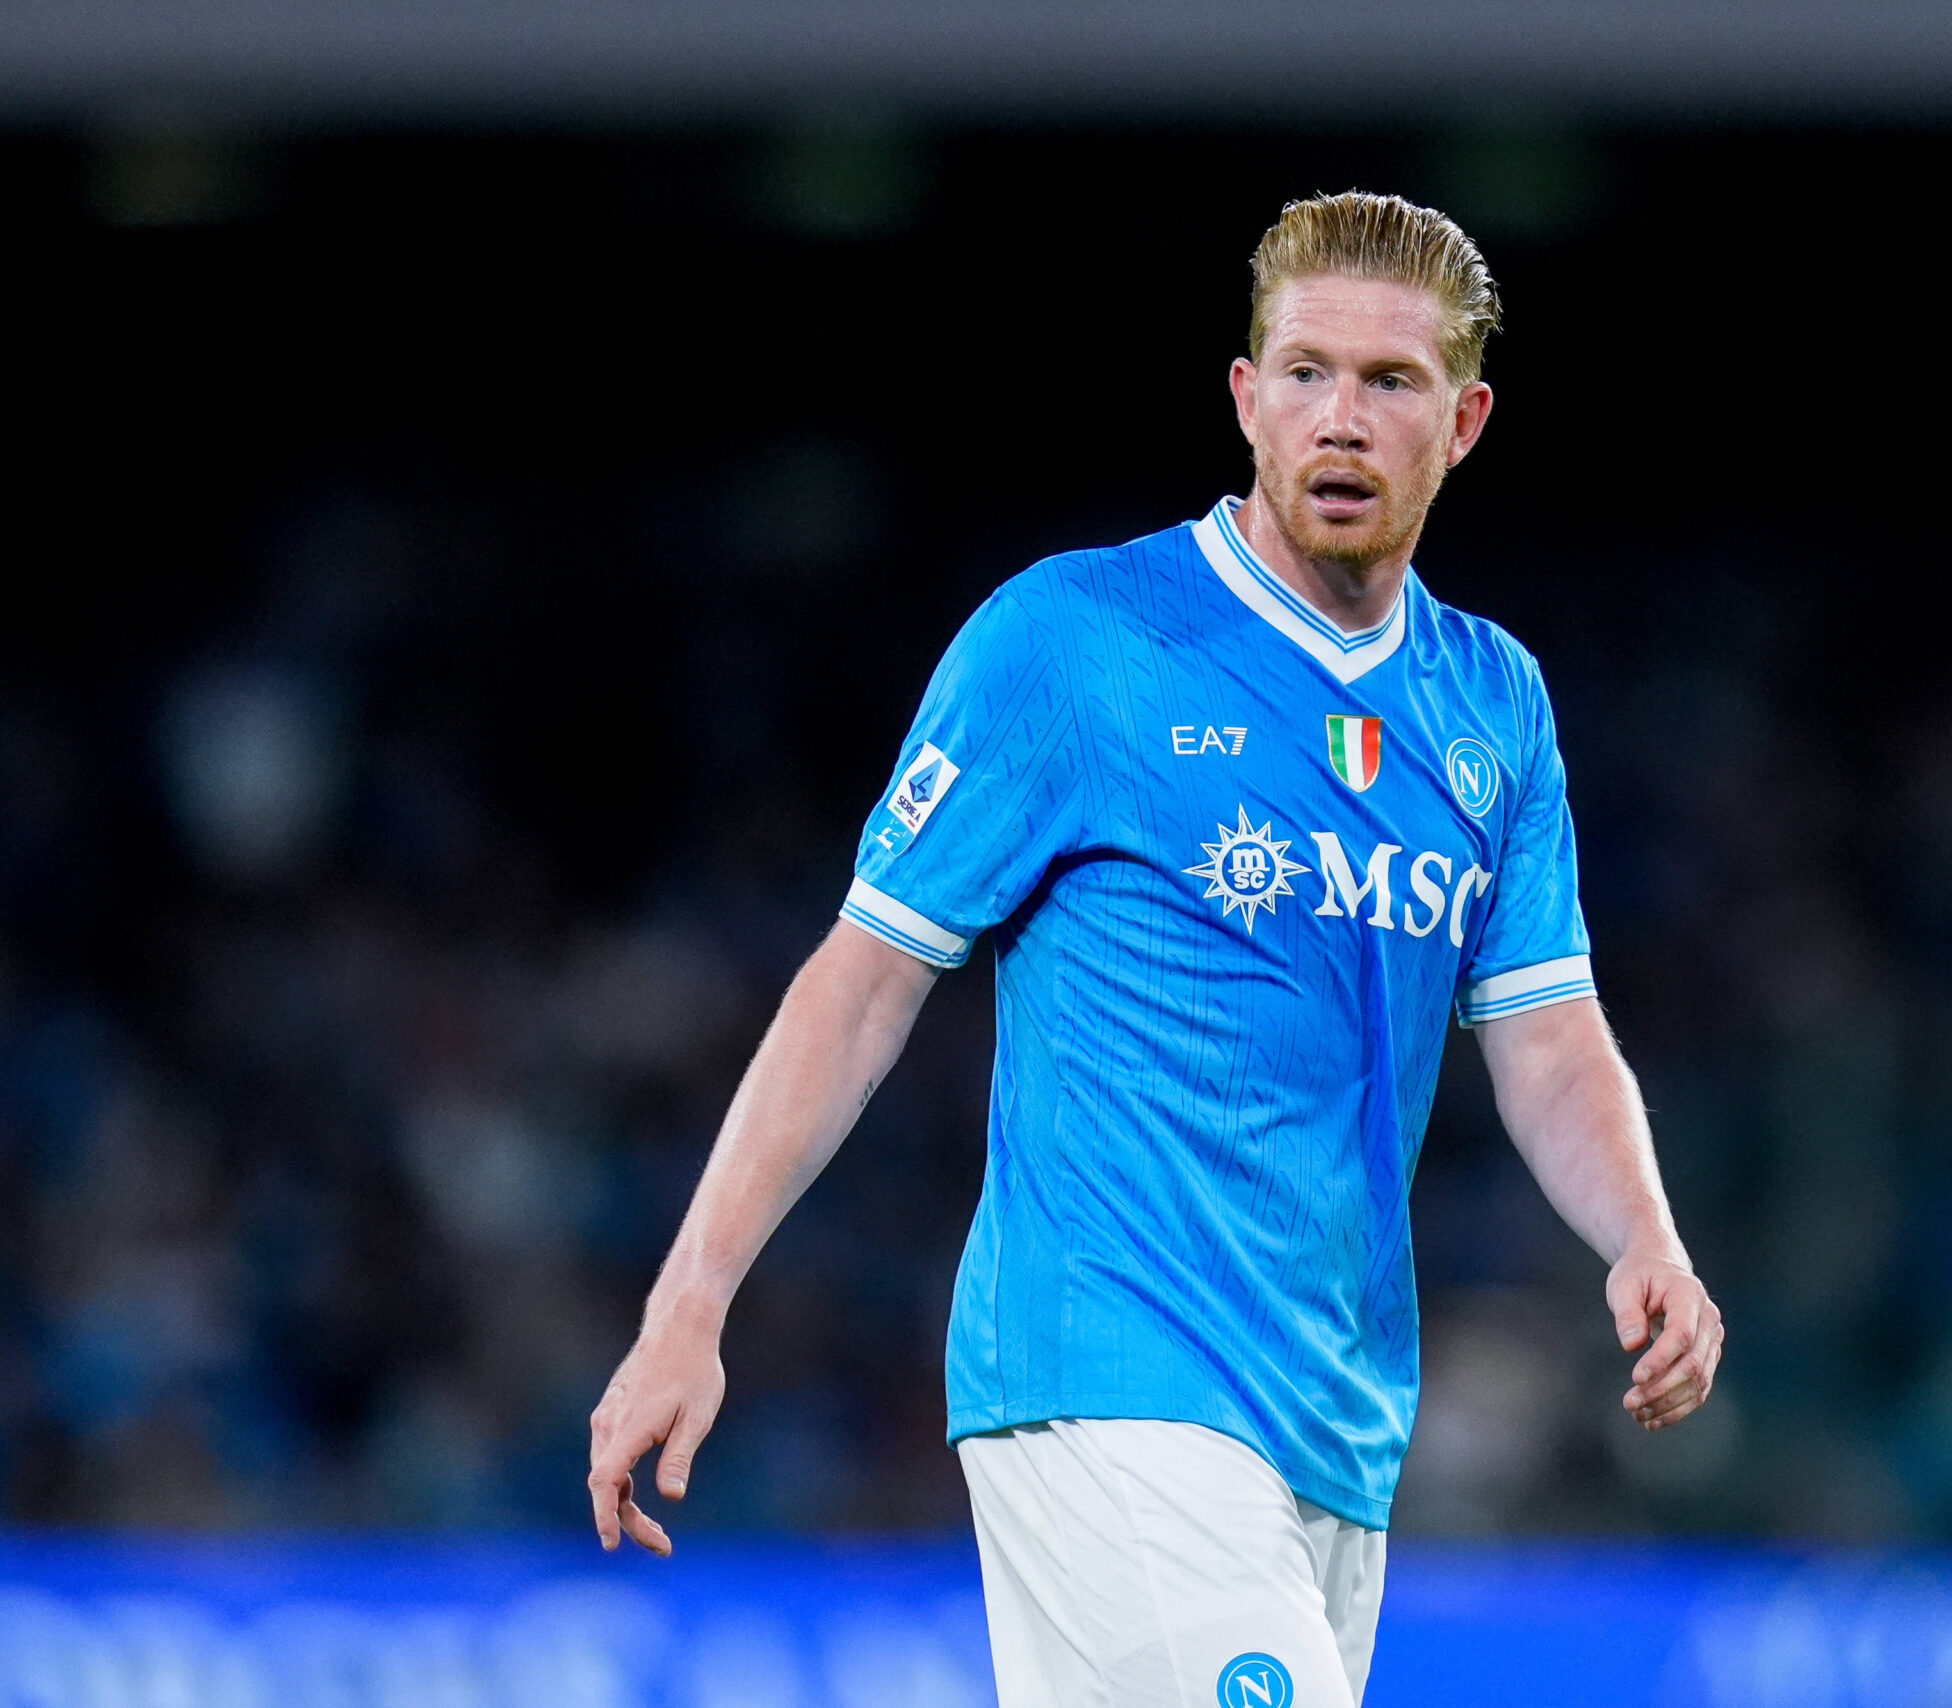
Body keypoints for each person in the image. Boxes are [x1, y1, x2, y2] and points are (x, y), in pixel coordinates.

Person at [586, 190, 1722, 1708]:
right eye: (1306, 371)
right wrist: (690, 1302)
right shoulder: (1076, 641)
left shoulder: (1491, 704)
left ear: (1465, 422)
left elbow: (1545, 1030)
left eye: (1391, 384)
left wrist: (1645, 1236)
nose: (1342, 417)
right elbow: (861, 982)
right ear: (1246, 398)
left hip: (1335, 1418)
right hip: (1100, 1373)